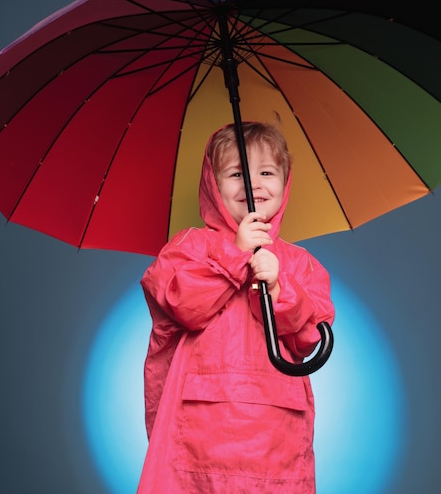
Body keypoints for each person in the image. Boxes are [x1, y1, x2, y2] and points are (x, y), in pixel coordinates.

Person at [137, 122, 335, 493]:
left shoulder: (300, 263)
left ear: (285, 181)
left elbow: (311, 338)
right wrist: (234, 256)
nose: (254, 184)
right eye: (236, 173)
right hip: (200, 436)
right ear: (213, 185)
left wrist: (279, 287)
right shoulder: (187, 248)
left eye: (266, 172)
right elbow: (181, 303)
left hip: (275, 434)